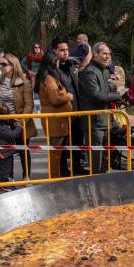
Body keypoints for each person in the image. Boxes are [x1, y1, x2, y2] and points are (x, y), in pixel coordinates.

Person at [79, 42, 126, 173]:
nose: (107, 57)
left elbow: (106, 90)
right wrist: (117, 95)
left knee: (105, 160)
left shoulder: (104, 70)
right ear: (95, 54)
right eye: (104, 53)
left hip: (106, 121)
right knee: (96, 161)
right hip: (94, 123)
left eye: (109, 54)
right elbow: (97, 95)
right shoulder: (89, 72)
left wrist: (120, 92)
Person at [0, 53, 36, 182]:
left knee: (23, 150)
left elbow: (29, 105)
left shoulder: (24, 83)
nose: (1, 66)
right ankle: (8, 178)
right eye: (0, 64)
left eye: (5, 64)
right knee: (5, 152)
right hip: (2, 122)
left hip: (19, 122)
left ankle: (26, 177)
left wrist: (20, 121)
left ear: (14, 66)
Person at [50, 37, 89, 175]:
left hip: (76, 111)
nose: (65, 53)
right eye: (62, 50)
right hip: (62, 113)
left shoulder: (71, 66)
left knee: (77, 140)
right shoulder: (51, 69)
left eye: (67, 50)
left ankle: (76, 167)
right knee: (62, 143)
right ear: (54, 51)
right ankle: (61, 170)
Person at [36, 52, 73, 178]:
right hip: (54, 121)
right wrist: (68, 96)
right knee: (55, 151)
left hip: (58, 120)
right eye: (57, 61)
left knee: (57, 150)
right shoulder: (49, 79)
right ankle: (55, 176)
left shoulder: (48, 77)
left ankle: (56, 174)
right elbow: (55, 99)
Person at [0, 102, 22, 191]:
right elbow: (12, 135)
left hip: (7, 151)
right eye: (6, 115)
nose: (8, 117)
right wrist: (19, 127)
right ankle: (5, 184)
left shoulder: (0, 123)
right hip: (3, 152)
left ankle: (8, 182)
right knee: (5, 169)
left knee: (8, 167)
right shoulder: (0, 127)